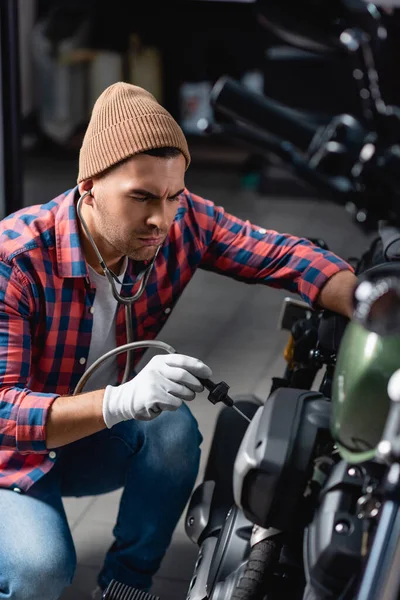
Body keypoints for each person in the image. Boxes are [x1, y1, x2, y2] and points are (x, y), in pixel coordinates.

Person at [0, 82, 357, 600]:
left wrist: (373, 301)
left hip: (77, 438)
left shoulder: (178, 220)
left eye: (172, 196)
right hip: (10, 456)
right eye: (141, 197)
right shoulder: (15, 261)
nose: (160, 219)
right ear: (89, 186)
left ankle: (125, 585)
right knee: (41, 571)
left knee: (171, 426)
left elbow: (281, 254)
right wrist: (121, 400)